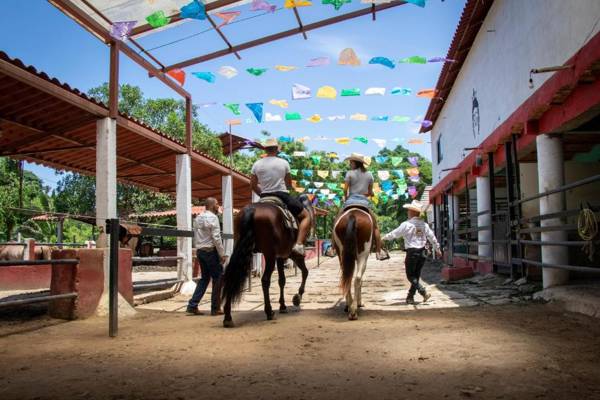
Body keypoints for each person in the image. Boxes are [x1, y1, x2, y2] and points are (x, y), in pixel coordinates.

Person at [250, 138, 310, 256]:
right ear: (277, 149)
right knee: (306, 216)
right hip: (281, 195)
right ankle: (298, 245)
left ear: (265, 149)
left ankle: (252, 242)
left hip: (264, 196)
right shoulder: (284, 163)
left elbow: (253, 185)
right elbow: (288, 184)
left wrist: (262, 194)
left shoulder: (256, 164)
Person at [382, 200, 442, 304]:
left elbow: (394, 234)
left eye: (409, 210)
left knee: (410, 275)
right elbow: (432, 237)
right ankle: (410, 297)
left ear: (413, 212)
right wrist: (437, 249)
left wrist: (383, 238)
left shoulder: (406, 224)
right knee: (416, 275)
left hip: (412, 252)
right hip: (423, 252)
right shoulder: (424, 225)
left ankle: (423, 291)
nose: (408, 212)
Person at [342, 153, 389, 260]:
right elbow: (369, 192)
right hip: (364, 203)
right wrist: (370, 194)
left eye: (351, 162)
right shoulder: (369, 175)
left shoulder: (349, 173)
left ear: (355, 162)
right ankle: (379, 251)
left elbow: (345, 189)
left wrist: (346, 197)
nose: (350, 164)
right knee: (375, 227)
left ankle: (333, 248)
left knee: (337, 219)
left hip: (350, 202)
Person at [187, 197, 227, 316]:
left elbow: (196, 235)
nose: (218, 206)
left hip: (200, 252)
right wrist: (222, 254)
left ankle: (192, 305)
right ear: (211, 205)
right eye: (217, 204)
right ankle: (215, 308)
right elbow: (216, 238)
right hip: (210, 251)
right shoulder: (213, 218)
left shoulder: (198, 218)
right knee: (218, 277)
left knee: (204, 278)